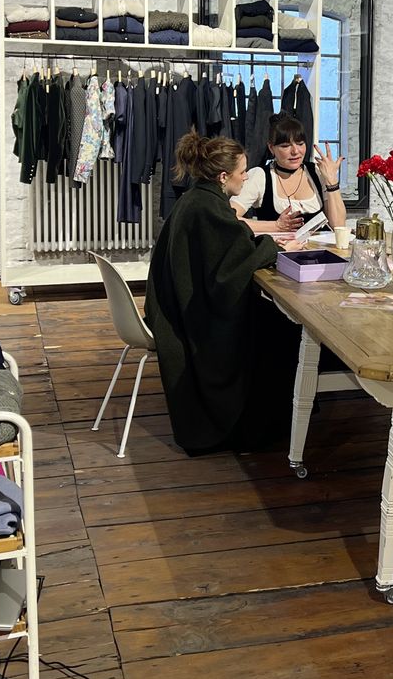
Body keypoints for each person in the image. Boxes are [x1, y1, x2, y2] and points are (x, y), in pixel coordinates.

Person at [145, 131, 298, 456]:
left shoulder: (200, 199)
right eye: (242, 172)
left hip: (181, 305)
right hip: (193, 317)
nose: (246, 177)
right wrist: (272, 247)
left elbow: (230, 248)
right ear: (223, 176)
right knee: (281, 329)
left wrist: (263, 244)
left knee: (273, 322)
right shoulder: (208, 207)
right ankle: (257, 429)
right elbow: (229, 273)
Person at [231, 113, 346, 235]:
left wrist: (331, 180)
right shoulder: (260, 176)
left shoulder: (317, 172)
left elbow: (338, 227)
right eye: (285, 146)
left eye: (300, 144)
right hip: (277, 247)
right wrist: (275, 226)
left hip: (320, 247)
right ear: (271, 148)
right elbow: (229, 219)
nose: (295, 151)